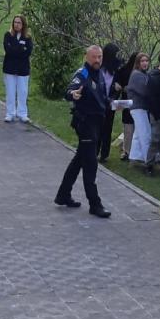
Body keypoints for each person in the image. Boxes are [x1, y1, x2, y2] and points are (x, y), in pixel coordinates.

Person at [54, 46, 111, 218]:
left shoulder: (100, 73)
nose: (97, 60)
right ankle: (95, 204)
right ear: (87, 57)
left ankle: (63, 195)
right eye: (94, 57)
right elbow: (70, 91)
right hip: (85, 123)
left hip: (97, 122)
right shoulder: (83, 73)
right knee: (90, 163)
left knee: (79, 159)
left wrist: (113, 103)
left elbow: (101, 96)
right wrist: (73, 94)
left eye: (100, 57)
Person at [2, 15, 34, 122]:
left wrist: (16, 49)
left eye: (19, 22)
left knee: (23, 92)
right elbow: (8, 50)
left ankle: (22, 113)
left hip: (23, 69)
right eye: (15, 22)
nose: (16, 24)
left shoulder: (28, 38)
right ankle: (10, 113)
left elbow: (28, 52)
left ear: (23, 24)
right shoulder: (8, 35)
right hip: (10, 68)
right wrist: (20, 49)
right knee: (10, 92)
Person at [97, 43, 122, 162]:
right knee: (98, 129)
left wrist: (117, 90)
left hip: (110, 103)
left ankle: (104, 155)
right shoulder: (99, 69)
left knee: (107, 129)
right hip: (98, 103)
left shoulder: (116, 70)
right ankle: (95, 151)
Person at [125, 53, 151, 165]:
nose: (145, 63)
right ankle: (148, 160)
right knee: (145, 134)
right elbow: (145, 91)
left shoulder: (143, 74)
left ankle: (135, 157)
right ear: (138, 63)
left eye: (146, 61)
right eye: (142, 61)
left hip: (140, 107)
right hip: (138, 107)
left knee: (138, 134)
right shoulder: (137, 75)